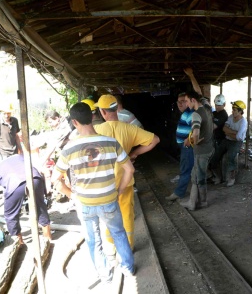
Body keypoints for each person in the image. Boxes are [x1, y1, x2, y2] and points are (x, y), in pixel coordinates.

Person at [51, 102, 136, 282]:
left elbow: (55, 180)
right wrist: (120, 190)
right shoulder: (111, 142)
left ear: (74, 122)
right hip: (109, 199)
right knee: (118, 233)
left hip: (85, 204)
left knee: (93, 240)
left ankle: (105, 275)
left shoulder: (69, 149)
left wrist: (72, 195)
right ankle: (128, 268)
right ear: (92, 117)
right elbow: (129, 169)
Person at [94, 94, 160, 250]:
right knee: (126, 212)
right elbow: (155, 139)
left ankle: (111, 244)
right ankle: (128, 245)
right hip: (125, 178)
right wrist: (134, 154)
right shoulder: (129, 129)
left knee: (107, 215)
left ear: (103, 112)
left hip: (105, 182)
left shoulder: (96, 130)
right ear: (116, 108)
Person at [0, 154, 51, 245]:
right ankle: (48, 237)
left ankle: (19, 244)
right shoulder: (17, 157)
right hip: (35, 178)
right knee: (40, 208)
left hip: (15, 184)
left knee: (11, 216)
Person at [180, 90, 214, 211]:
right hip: (210, 148)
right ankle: (192, 202)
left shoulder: (196, 114)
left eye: (187, 101)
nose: (186, 104)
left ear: (193, 100)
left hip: (202, 151)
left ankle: (202, 202)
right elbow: (199, 92)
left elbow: (196, 132)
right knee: (196, 174)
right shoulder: (207, 107)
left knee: (199, 177)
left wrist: (194, 141)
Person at [210, 100, 247, 187]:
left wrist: (229, 132)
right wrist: (234, 132)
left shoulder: (243, 122)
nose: (232, 111)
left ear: (240, 111)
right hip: (227, 140)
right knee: (215, 155)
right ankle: (218, 176)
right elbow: (224, 129)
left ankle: (231, 178)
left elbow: (238, 137)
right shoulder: (230, 117)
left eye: (235, 110)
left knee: (231, 157)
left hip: (236, 142)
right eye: (233, 109)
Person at [165, 92, 194, 201]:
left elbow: (197, 129)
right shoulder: (185, 113)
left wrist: (189, 138)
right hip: (185, 146)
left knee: (185, 169)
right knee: (187, 168)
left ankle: (179, 193)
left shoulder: (190, 113)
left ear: (189, 102)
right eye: (178, 102)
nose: (180, 104)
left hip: (188, 147)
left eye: (183, 101)